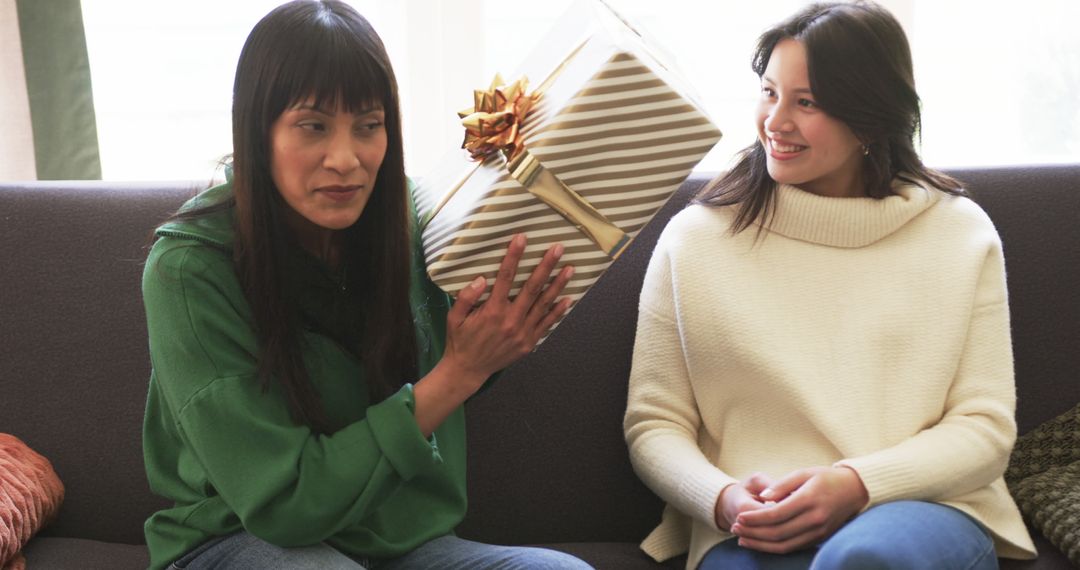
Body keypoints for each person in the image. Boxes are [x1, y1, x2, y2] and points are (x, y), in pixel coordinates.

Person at [140, 2, 593, 569]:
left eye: (368, 125)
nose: (346, 159)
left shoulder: (406, 219)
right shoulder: (189, 270)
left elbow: (470, 351)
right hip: (240, 541)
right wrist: (457, 373)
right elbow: (282, 506)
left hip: (400, 543)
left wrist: (500, 329)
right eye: (313, 125)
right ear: (258, 130)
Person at [623, 2, 1038, 569]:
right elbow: (655, 423)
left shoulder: (958, 233)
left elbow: (985, 427)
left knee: (863, 558)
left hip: (921, 508)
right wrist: (722, 501)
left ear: (870, 118)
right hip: (755, 520)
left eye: (806, 102)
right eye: (769, 92)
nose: (776, 121)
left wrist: (855, 484)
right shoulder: (696, 239)